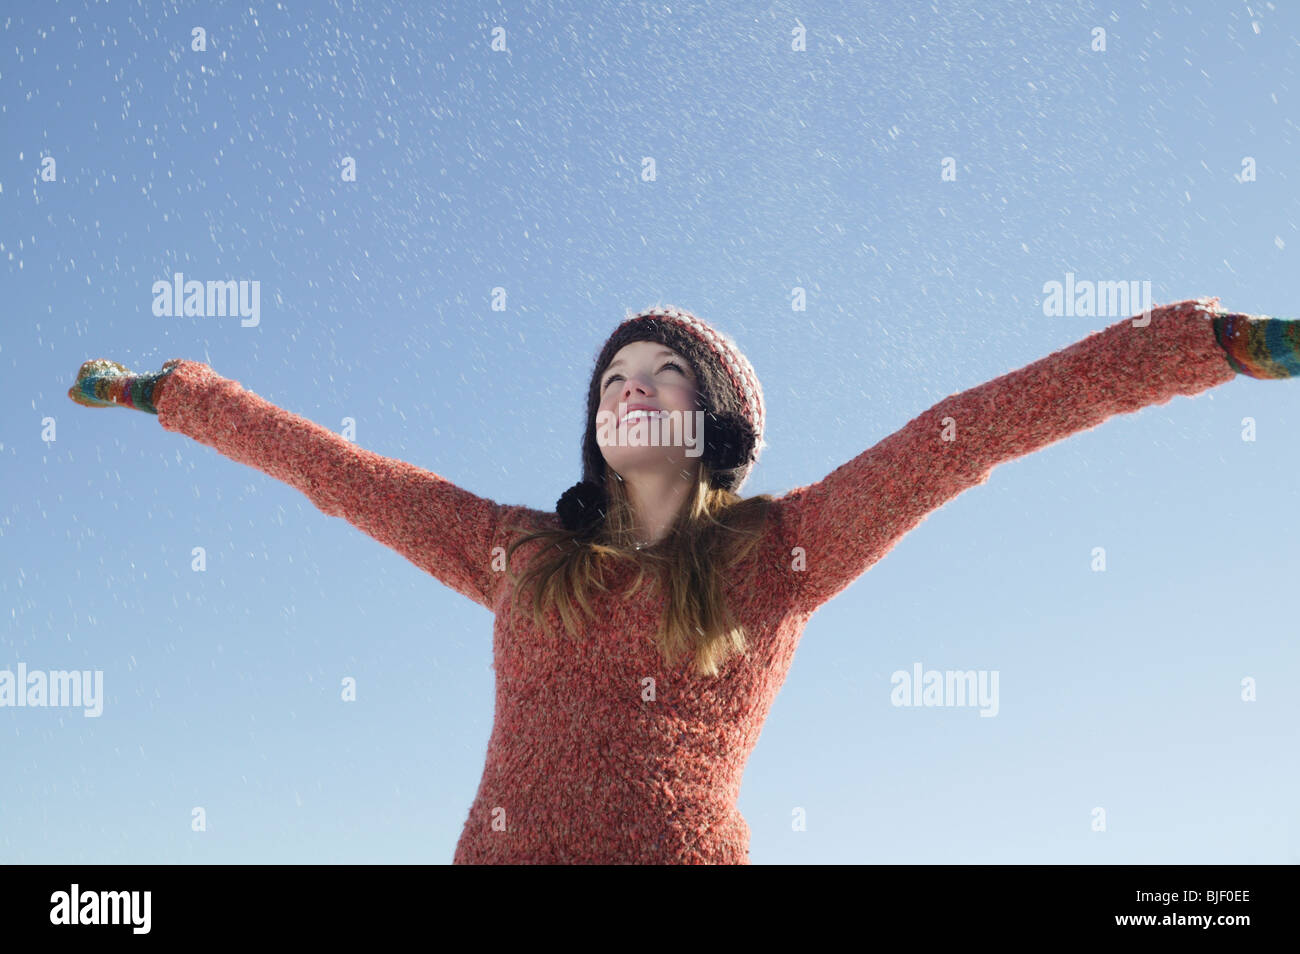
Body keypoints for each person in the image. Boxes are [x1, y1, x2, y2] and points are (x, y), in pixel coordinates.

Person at [66, 298, 1298, 864]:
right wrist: (162, 392)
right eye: (612, 377)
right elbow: (331, 469)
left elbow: (965, 433)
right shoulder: (519, 554)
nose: (628, 388)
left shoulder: (787, 550)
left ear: (712, 424)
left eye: (660, 373)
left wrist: (1205, 350)